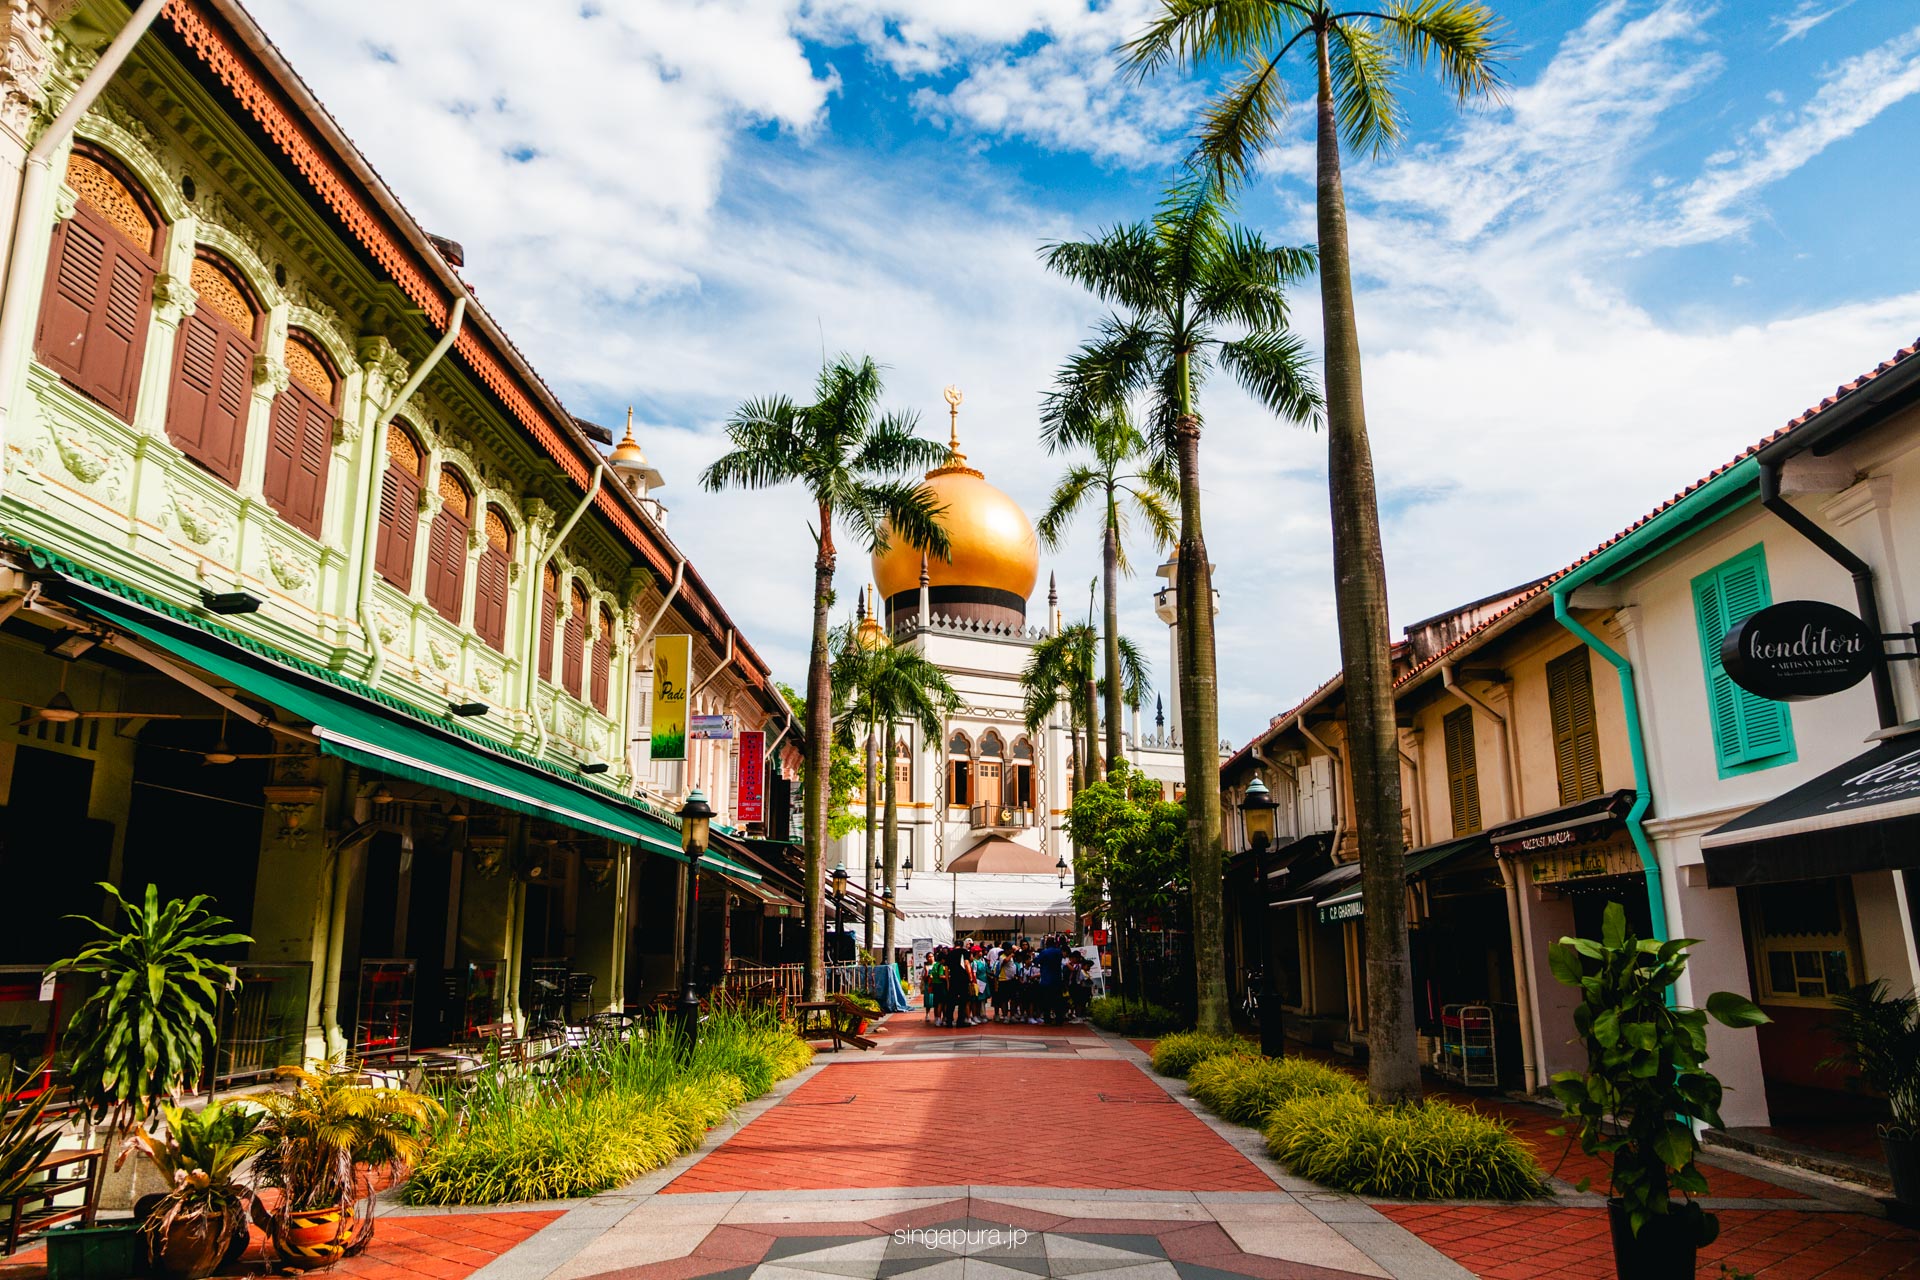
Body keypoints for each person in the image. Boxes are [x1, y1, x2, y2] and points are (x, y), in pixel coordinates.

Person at [1036, 934, 1066, 1026]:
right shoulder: (1058, 952)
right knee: (1057, 1001)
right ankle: (1059, 1019)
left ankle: (1047, 1019)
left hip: (1046, 979)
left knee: (1046, 1001)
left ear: (1046, 943)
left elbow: (1037, 961)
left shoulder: (1044, 952)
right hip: (1057, 979)